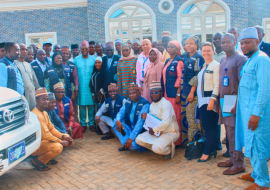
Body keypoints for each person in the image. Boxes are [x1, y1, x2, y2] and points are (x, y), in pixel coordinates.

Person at [235, 27, 270, 190]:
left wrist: (256, 114)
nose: (244, 46)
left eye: (247, 43)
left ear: (257, 42)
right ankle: (256, 173)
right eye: (242, 43)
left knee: (258, 145)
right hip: (246, 111)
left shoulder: (262, 59)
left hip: (258, 114)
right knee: (251, 143)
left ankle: (263, 182)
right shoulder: (250, 59)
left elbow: (264, 89)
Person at [216, 33, 247, 174]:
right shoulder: (223, 59)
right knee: (228, 131)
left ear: (235, 42)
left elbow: (243, 84)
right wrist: (218, 101)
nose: (225, 44)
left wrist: (237, 103)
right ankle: (232, 158)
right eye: (223, 42)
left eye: (228, 42)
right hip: (225, 100)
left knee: (234, 132)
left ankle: (239, 164)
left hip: (234, 100)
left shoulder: (240, 59)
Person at [31, 88, 74, 171]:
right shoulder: (36, 114)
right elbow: (46, 135)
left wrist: (64, 136)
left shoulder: (44, 113)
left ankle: (45, 158)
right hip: (36, 146)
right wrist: (61, 141)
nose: (46, 101)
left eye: (47, 99)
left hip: (44, 142)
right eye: (44, 99)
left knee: (66, 136)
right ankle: (38, 161)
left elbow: (52, 129)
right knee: (58, 147)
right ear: (37, 100)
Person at [136, 81, 180, 159]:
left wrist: (154, 130)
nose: (154, 94)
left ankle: (169, 149)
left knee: (156, 148)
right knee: (138, 140)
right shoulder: (152, 105)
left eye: (156, 92)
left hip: (169, 132)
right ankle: (158, 146)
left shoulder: (166, 104)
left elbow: (165, 123)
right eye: (152, 93)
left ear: (161, 92)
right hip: (157, 133)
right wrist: (146, 118)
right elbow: (153, 120)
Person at [196, 42, 220, 162]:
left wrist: (212, 100)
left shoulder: (216, 65)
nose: (206, 53)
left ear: (213, 51)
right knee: (209, 126)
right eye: (204, 51)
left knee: (209, 127)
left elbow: (217, 85)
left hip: (209, 100)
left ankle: (207, 152)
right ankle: (212, 148)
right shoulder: (204, 66)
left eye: (208, 50)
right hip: (202, 100)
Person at [113, 83, 150, 151]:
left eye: (133, 93)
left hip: (140, 131)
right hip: (130, 128)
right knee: (115, 122)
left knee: (132, 146)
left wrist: (131, 137)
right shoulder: (128, 101)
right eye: (129, 93)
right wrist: (118, 120)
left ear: (138, 93)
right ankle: (126, 143)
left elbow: (140, 124)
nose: (131, 95)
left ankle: (138, 144)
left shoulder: (145, 104)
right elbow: (121, 112)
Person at [182, 36, 205, 143]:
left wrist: (191, 92)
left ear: (197, 45)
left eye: (191, 43)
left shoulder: (199, 57)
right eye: (186, 43)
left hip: (194, 94)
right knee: (189, 120)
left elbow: (197, 76)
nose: (188, 45)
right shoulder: (186, 56)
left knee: (193, 121)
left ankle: (194, 146)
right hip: (186, 92)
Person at [161, 41, 183, 145]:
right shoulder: (167, 61)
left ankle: (178, 141)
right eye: (168, 47)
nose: (169, 49)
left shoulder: (179, 61)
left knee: (176, 117)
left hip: (174, 94)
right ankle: (171, 138)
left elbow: (180, 78)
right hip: (167, 93)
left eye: (172, 47)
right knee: (168, 116)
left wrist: (178, 94)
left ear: (177, 49)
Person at [73, 40, 96, 132]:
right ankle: (82, 124)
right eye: (83, 49)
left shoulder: (93, 59)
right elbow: (74, 74)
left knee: (91, 105)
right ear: (80, 50)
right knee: (81, 106)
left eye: (86, 49)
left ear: (89, 49)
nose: (85, 50)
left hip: (90, 86)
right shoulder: (76, 60)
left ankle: (91, 123)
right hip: (80, 86)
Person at [15, 43, 40, 110]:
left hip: (32, 94)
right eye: (22, 49)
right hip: (23, 95)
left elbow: (35, 80)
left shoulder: (28, 64)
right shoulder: (14, 64)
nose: (24, 51)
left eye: (26, 49)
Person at [213, 32, 225, 151]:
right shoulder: (212, 55)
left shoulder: (226, 55)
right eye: (214, 39)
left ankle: (231, 147)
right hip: (213, 92)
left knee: (228, 120)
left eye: (219, 38)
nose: (216, 40)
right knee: (215, 118)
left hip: (226, 92)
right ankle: (217, 143)